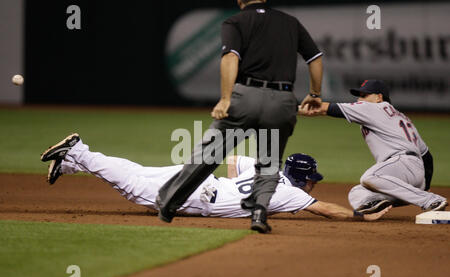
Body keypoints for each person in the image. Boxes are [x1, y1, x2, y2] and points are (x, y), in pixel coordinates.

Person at [156, 0, 324, 233]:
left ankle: (168, 203)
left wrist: (226, 98)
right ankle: (258, 212)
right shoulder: (290, 22)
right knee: (270, 162)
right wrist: (315, 93)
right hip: (282, 100)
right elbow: (314, 58)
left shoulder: (236, 21)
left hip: (246, 96)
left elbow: (230, 58)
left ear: (240, 0)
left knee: (210, 152)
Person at [39, 133, 391, 225]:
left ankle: (71, 163)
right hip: (198, 196)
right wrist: (364, 216)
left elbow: (234, 160)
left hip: (201, 181)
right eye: (312, 179)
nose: (314, 183)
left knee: (135, 171)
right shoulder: (290, 196)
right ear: (303, 180)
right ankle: (79, 151)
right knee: (134, 188)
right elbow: (328, 210)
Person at [298, 79, 448, 212]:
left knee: (370, 177)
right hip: (409, 171)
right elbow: (426, 156)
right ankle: (391, 201)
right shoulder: (401, 117)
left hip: (402, 163)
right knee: (358, 194)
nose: (359, 99)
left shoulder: (374, 108)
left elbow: (324, 108)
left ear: (379, 97)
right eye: (359, 95)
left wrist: (291, 109)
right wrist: (424, 184)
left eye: (364, 95)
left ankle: (431, 199)